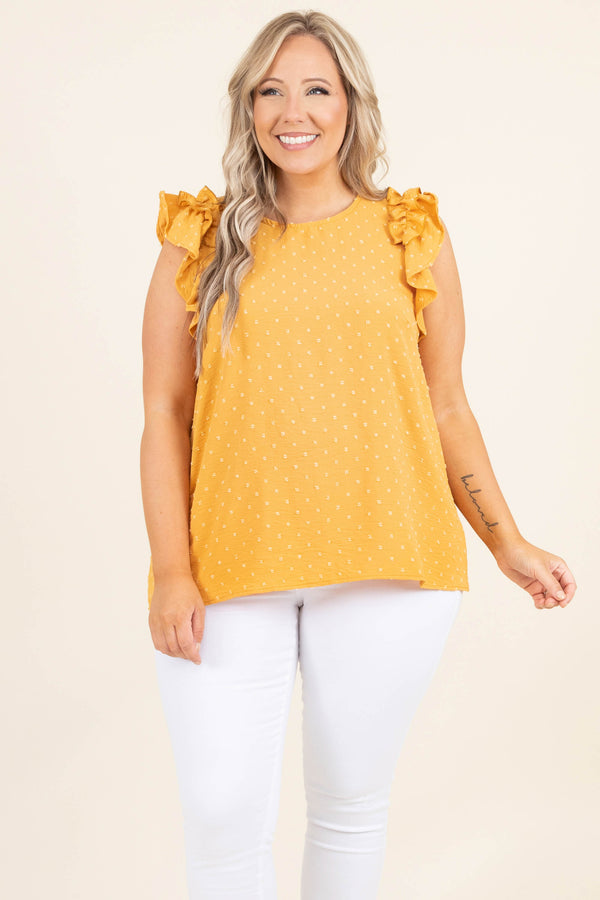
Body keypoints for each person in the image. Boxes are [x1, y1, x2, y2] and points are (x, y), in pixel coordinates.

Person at [140, 10, 577, 899]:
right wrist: (172, 571)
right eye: (270, 91)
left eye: (316, 89)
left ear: (351, 105)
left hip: (387, 557)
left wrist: (508, 544)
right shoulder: (203, 239)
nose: (292, 112)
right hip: (230, 561)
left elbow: (446, 404)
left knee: (349, 809)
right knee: (223, 816)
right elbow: (164, 410)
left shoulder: (409, 234)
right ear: (247, 108)